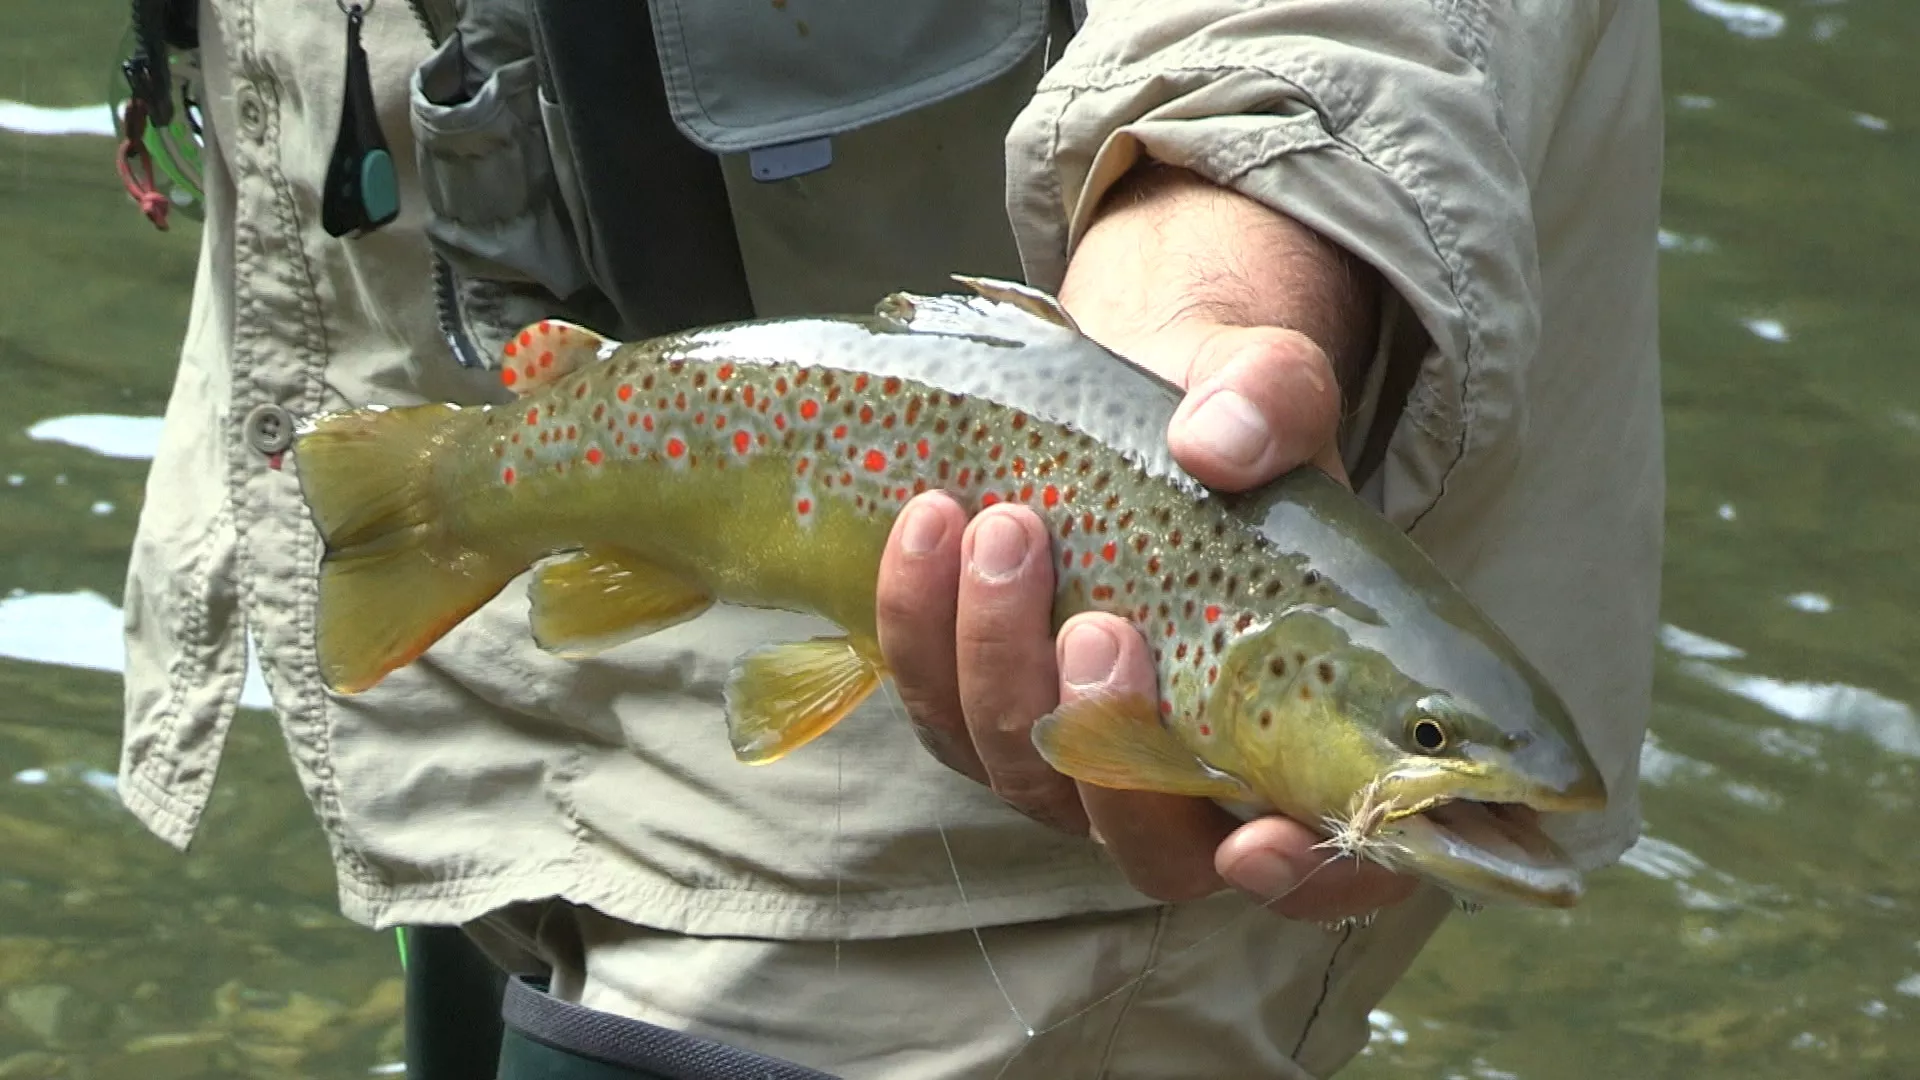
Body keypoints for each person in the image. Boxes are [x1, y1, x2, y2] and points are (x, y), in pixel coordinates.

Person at [117, 0, 1664, 1076]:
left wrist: (1240, 239)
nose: (1445, 758)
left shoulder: (1212, 658)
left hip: (934, 876)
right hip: (461, 639)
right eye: (1422, 731)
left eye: (1422, 729)